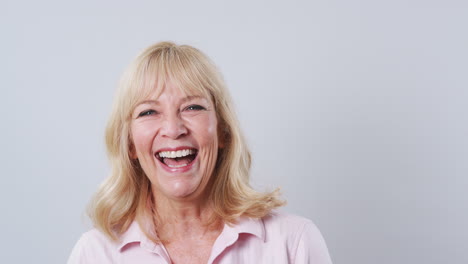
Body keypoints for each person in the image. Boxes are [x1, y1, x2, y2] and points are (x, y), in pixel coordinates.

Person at [68, 41, 332, 264]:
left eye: (192, 107)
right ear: (130, 145)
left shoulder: (294, 243)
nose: (173, 129)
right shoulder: (95, 254)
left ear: (224, 132)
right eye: (148, 112)